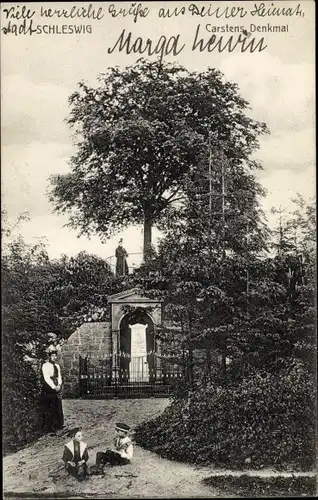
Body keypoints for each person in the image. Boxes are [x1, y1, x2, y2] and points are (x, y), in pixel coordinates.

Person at [41, 346, 64, 433]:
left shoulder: (57, 366)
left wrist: (59, 385)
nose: (54, 357)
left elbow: (59, 377)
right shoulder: (45, 366)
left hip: (56, 386)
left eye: (55, 356)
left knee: (57, 404)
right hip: (48, 388)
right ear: (49, 357)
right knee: (49, 406)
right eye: (52, 356)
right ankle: (50, 426)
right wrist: (54, 387)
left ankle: (58, 424)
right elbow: (47, 378)